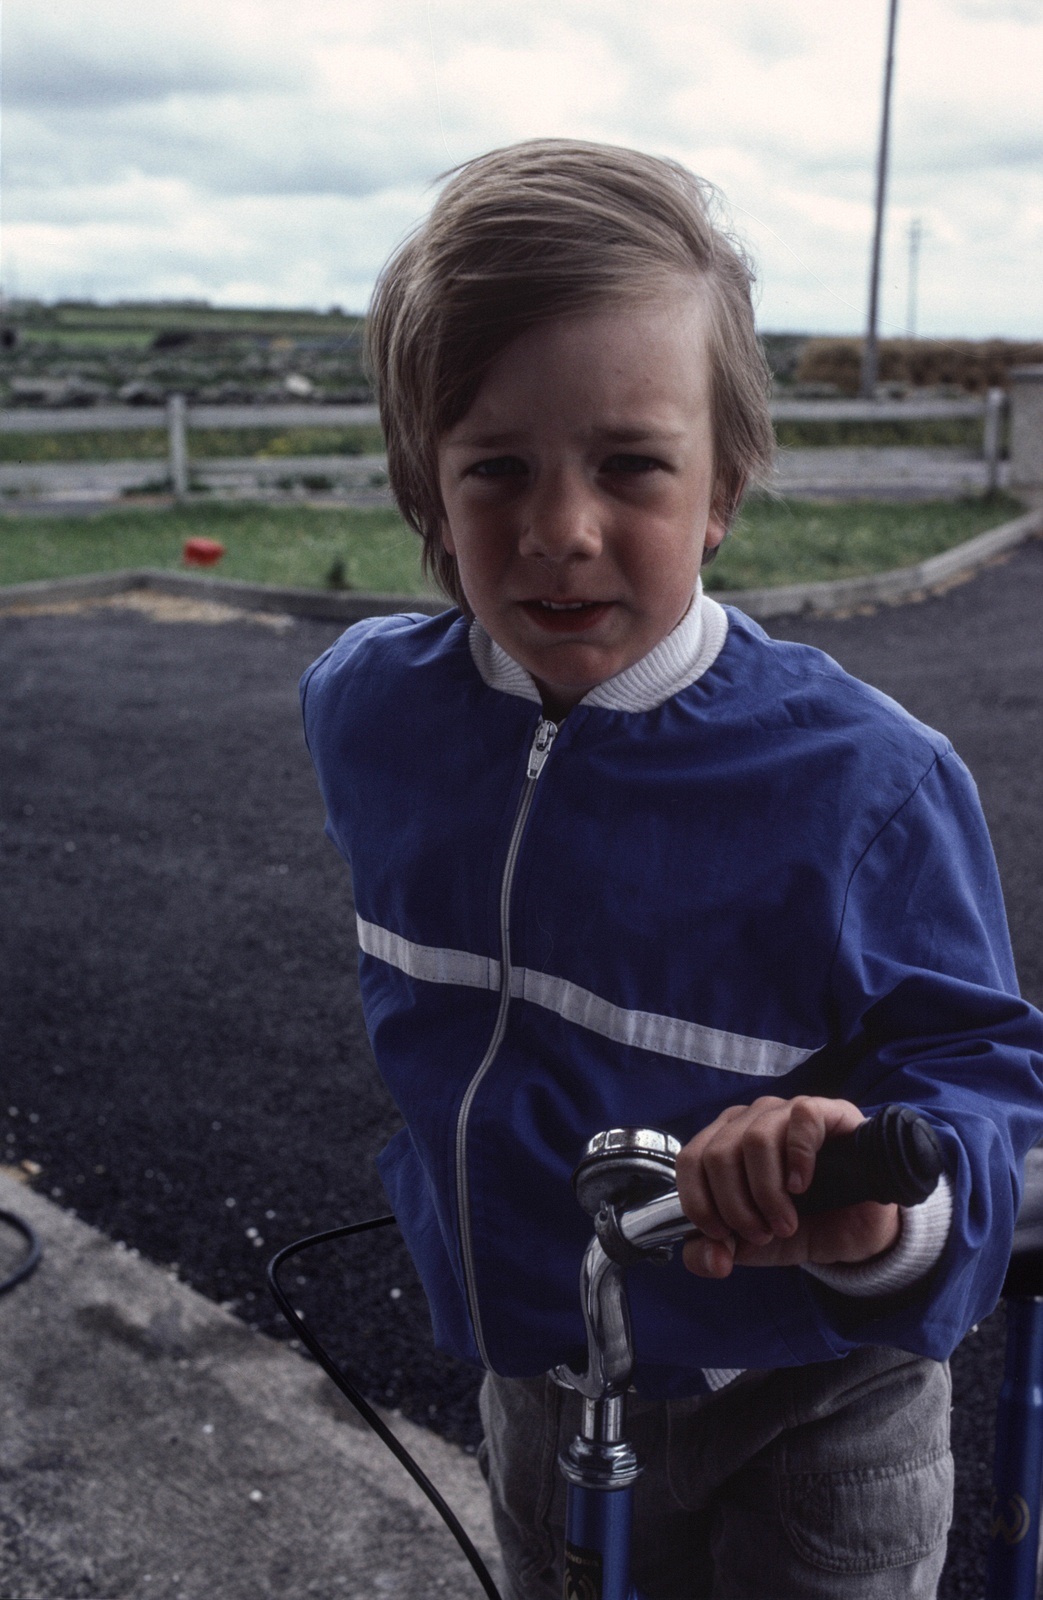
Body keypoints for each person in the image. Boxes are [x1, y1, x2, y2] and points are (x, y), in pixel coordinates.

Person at [300, 139, 1043, 1598]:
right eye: (495, 468)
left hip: (813, 1405)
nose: (560, 531)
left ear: (724, 486)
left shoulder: (869, 786)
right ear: (425, 491)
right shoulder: (366, 711)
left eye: (632, 465)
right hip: (545, 1379)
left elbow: (987, 1085)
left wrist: (886, 1213)